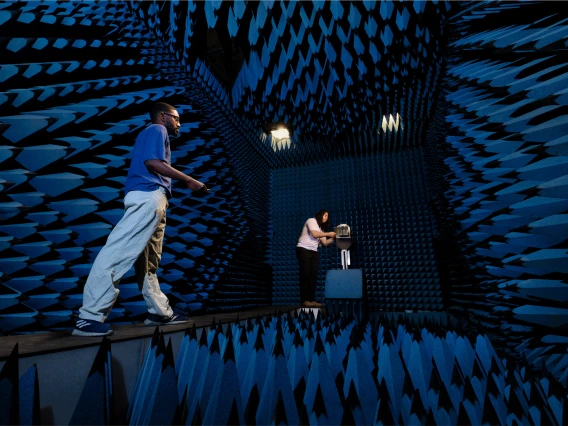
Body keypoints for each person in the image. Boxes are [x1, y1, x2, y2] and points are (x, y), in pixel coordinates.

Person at [73, 102, 208, 336]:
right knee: (117, 254)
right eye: (176, 118)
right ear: (163, 117)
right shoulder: (158, 130)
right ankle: (89, 316)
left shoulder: (151, 132)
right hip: (148, 195)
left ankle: (159, 312)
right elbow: (153, 163)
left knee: (148, 264)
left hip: (154, 198)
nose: (179, 123)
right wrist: (189, 180)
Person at [296, 210, 336, 308]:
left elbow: (325, 243)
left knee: (313, 275)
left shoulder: (321, 229)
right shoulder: (311, 221)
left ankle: (311, 300)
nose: (326, 217)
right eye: (325, 215)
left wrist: (334, 237)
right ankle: (305, 300)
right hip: (303, 249)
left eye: (327, 216)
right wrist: (329, 233)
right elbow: (314, 234)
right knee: (305, 274)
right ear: (320, 215)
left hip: (314, 251)